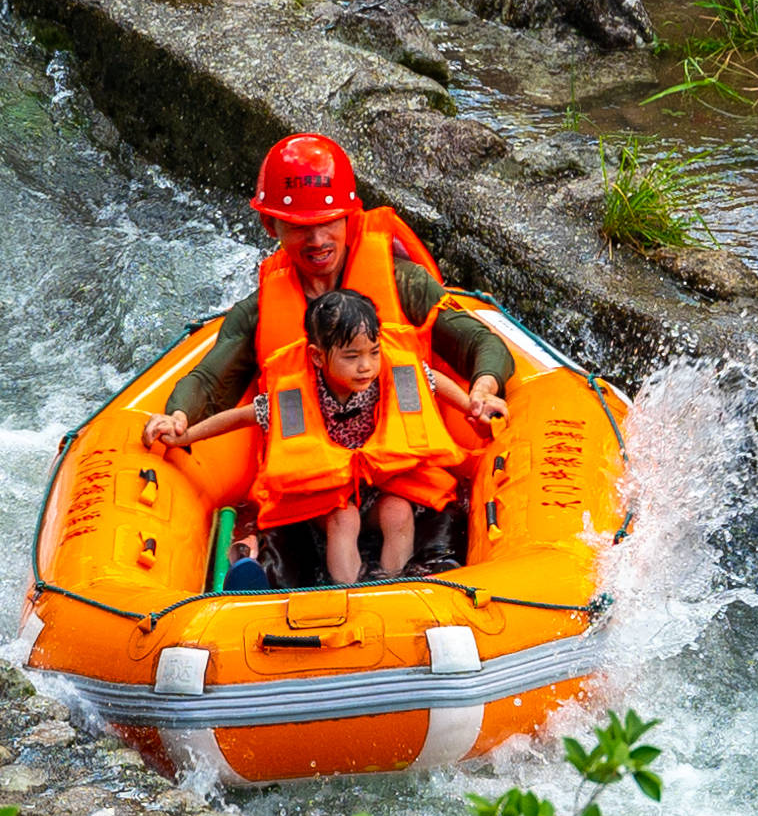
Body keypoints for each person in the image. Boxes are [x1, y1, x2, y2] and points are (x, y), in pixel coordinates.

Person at [141, 133, 515, 581]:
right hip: (316, 493)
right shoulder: (260, 311)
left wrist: (483, 388)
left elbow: (483, 344)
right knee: (291, 542)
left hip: (401, 481)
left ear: (349, 217)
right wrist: (178, 420)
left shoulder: (403, 283)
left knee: (432, 527)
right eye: (300, 226)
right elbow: (211, 381)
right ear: (270, 227)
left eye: (329, 221)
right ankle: (257, 579)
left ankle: (399, 585)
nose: (318, 239)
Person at [158, 288, 485, 583]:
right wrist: (185, 435)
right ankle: (348, 588)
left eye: (373, 352)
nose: (366, 367)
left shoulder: (389, 374)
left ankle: (392, 581)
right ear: (317, 357)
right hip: (324, 497)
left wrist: (470, 403)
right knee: (345, 518)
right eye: (351, 356)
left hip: (379, 487)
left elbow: (432, 380)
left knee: (397, 511)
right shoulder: (294, 398)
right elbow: (239, 417)